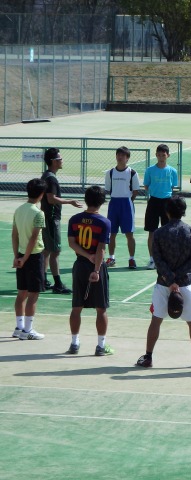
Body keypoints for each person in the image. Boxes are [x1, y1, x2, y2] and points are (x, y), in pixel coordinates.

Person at [136, 196, 191, 368]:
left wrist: (170, 279)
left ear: (167, 212)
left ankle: (148, 357)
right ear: (183, 212)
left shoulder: (159, 233)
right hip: (186, 284)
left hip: (163, 284)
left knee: (156, 320)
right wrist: (178, 277)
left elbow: (157, 259)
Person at [66, 186, 113, 356]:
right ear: (102, 202)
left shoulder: (74, 219)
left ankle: (74, 343)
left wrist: (86, 255)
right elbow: (101, 249)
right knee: (101, 308)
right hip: (96, 266)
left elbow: (72, 243)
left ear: (86, 200)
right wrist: (97, 269)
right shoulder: (104, 222)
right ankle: (100, 346)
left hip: (80, 265)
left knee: (76, 307)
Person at [41, 147, 82, 293]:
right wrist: (70, 201)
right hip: (52, 219)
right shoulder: (51, 178)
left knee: (46, 250)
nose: (62, 161)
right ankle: (57, 283)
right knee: (55, 252)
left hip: (47, 218)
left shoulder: (46, 175)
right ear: (54, 161)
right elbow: (51, 199)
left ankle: (43, 280)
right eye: (60, 159)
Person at [12, 178, 47, 340]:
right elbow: (34, 238)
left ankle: (19, 327)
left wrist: (17, 257)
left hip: (20, 255)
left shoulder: (19, 210)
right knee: (33, 295)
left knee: (21, 293)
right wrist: (26, 258)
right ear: (41, 194)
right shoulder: (39, 213)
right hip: (33, 257)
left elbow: (14, 235)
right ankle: (27, 331)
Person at [143, 144, 178, 270]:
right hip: (153, 202)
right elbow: (146, 185)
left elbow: (173, 186)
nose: (161, 157)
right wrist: (155, 193)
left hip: (167, 202)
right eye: (159, 155)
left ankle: (166, 259)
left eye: (163, 155)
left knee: (167, 231)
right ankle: (152, 259)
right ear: (156, 155)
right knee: (152, 231)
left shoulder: (173, 171)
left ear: (168, 155)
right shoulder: (150, 170)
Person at [104, 146, 140, 270]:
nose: (120, 157)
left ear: (127, 158)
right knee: (112, 233)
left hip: (127, 205)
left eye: (123, 155)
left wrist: (128, 202)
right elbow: (108, 189)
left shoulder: (132, 173)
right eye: (118, 155)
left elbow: (135, 191)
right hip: (114, 204)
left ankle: (131, 259)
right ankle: (111, 258)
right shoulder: (110, 173)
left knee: (129, 234)